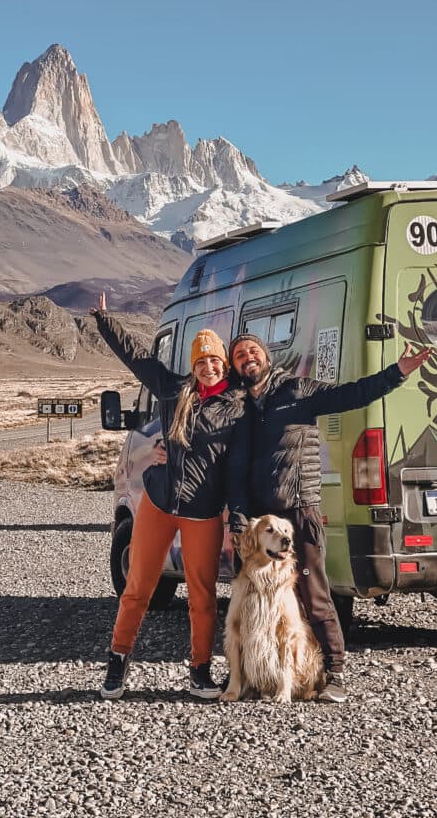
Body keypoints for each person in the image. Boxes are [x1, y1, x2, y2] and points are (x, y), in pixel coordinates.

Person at [226, 334, 432, 704]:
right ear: (235, 365)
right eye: (239, 354)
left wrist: (396, 373)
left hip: (300, 510)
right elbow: (235, 469)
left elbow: (350, 395)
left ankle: (334, 674)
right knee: (259, 600)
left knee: (314, 594)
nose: (247, 358)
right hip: (262, 523)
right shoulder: (239, 408)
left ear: (266, 357)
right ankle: (267, 674)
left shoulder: (297, 390)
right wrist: (239, 522)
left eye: (252, 350)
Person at [91, 293, 246, 701]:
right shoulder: (174, 390)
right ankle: (117, 663)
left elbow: (240, 464)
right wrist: (105, 320)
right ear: (192, 366)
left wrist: (238, 512)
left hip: (203, 513)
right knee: (138, 587)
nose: (208, 367)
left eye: (214, 360)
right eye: (201, 361)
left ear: (224, 364)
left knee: (202, 596)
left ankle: (199, 670)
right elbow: (136, 357)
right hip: (159, 505)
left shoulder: (237, 406)